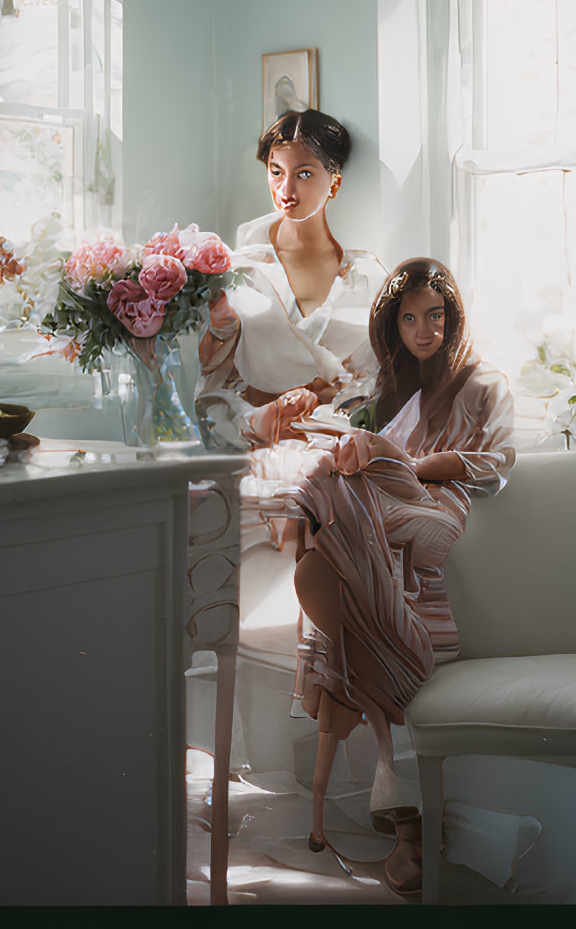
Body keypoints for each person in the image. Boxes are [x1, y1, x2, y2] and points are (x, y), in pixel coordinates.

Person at [270, 258, 516, 896]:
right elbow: (346, 416)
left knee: (334, 517)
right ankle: (375, 631)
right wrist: (348, 437)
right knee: (327, 477)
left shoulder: (484, 381)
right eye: (409, 319)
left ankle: (326, 575)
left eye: (434, 316)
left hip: (434, 508)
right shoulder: (386, 384)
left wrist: (430, 463)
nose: (424, 330)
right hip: (380, 516)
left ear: (452, 315)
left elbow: (500, 464)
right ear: (393, 325)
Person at [193, 109, 387, 452]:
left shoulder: (367, 279)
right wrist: (264, 417)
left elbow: (380, 384)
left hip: (337, 450)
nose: (286, 189)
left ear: (334, 183)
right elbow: (214, 384)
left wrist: (321, 406)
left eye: (305, 174)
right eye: (276, 172)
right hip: (254, 445)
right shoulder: (240, 272)